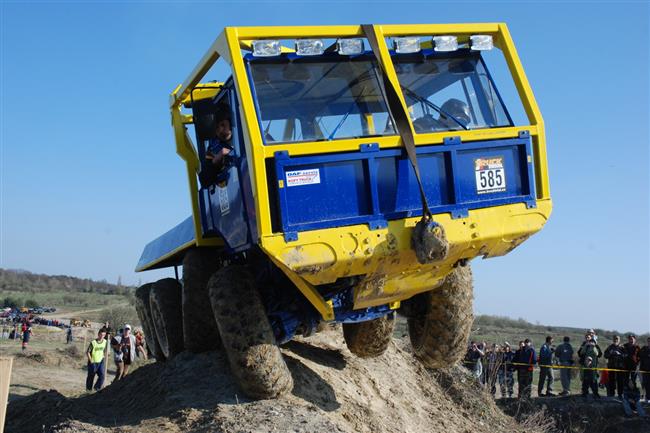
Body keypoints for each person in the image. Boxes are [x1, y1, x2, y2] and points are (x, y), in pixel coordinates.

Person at [199, 105, 234, 188]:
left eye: (223, 124)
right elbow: (204, 182)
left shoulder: (250, 137)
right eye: (217, 127)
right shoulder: (213, 150)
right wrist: (215, 161)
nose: (220, 129)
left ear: (231, 122)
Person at [578, 332, 602, 399]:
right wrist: (585, 346)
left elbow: (598, 354)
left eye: (589, 338)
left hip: (593, 366)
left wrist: (594, 346)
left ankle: (595, 393)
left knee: (593, 381)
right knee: (585, 380)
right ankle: (584, 393)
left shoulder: (595, 347)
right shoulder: (585, 346)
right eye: (586, 338)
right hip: (586, 366)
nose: (589, 341)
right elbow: (581, 353)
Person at [638, 337, 650, 403]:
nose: (649, 342)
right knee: (645, 384)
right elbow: (639, 355)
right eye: (648, 341)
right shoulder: (644, 349)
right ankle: (647, 398)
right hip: (644, 370)